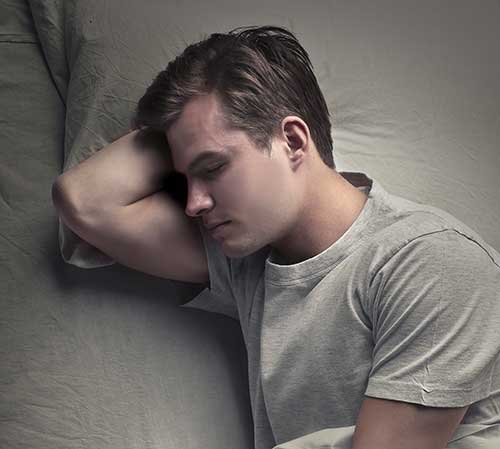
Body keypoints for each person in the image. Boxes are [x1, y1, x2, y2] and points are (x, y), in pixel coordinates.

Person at [53, 25, 500, 449]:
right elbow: (86, 201)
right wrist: (180, 132)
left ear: (292, 140)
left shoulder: (429, 264)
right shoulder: (248, 263)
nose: (193, 204)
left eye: (213, 169)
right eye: (184, 178)